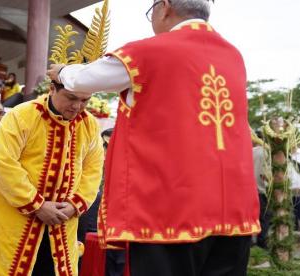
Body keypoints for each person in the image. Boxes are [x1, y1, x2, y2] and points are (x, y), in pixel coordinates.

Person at [48, 0, 260, 275]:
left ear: (165, 7)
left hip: (170, 210)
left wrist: (62, 72)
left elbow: (88, 79)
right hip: (234, 212)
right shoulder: (233, 56)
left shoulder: (152, 51)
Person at [0, 82, 104, 275]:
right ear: (52, 89)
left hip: (63, 221)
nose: (77, 106)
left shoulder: (90, 124)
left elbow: (93, 170)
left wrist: (74, 205)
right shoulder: (21, 115)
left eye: (84, 100)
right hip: (15, 220)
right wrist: (37, 205)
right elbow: (3, 164)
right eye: (71, 98)